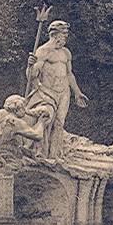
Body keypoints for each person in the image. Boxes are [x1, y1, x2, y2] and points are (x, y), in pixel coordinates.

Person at [24, 20, 89, 159]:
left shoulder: (66, 52)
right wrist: (30, 66)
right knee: (46, 120)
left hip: (64, 92)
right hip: (47, 92)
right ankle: (40, 153)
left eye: (66, 34)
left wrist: (77, 92)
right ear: (55, 35)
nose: (66, 37)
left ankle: (55, 155)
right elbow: (32, 75)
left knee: (59, 123)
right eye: (64, 34)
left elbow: (69, 74)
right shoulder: (43, 51)